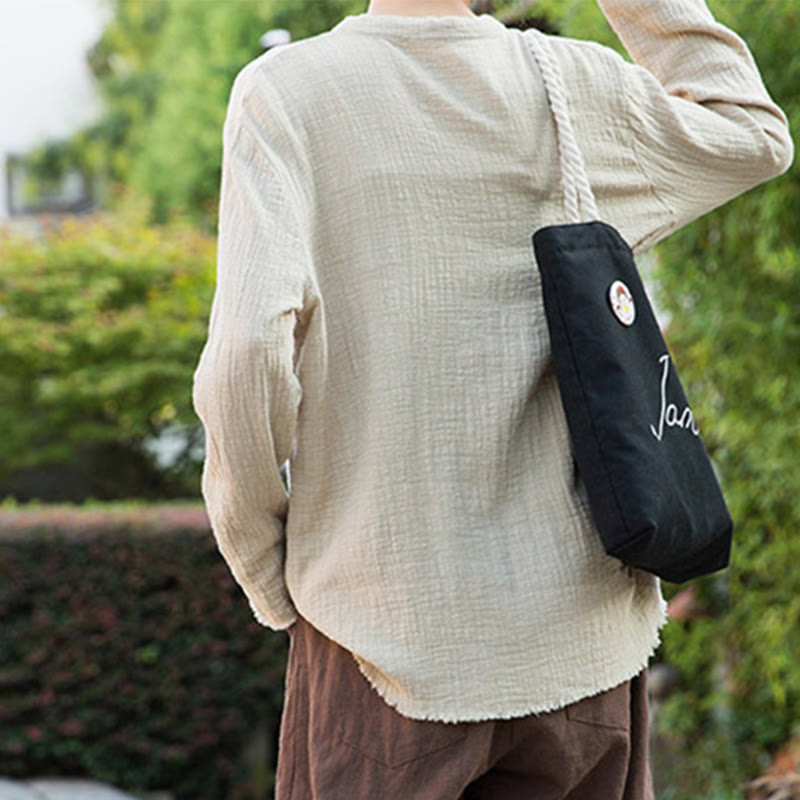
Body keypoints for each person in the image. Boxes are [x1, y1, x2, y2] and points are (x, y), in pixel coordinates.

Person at [192, 0, 792, 796]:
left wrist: (270, 574)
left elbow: (246, 359)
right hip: (585, 654)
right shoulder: (568, 84)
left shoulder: (290, 95)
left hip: (384, 642)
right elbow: (750, 131)